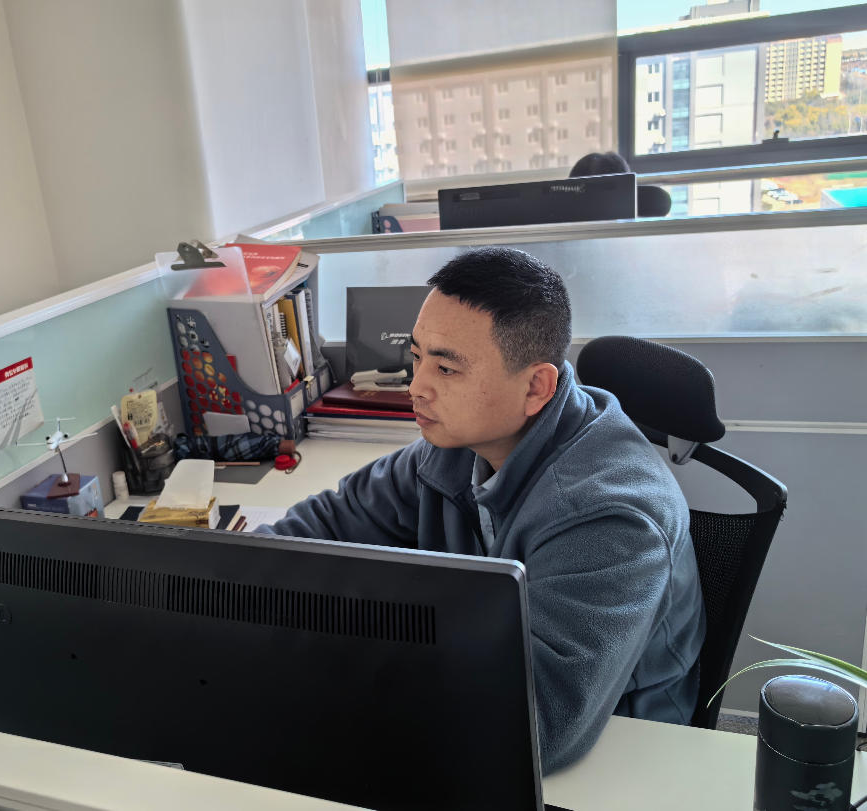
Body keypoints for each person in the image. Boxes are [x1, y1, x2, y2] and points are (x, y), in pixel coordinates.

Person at [257, 246, 705, 773]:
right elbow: (323, 525)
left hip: (622, 757)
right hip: (466, 687)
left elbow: (536, 725)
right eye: (418, 357)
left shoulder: (612, 517)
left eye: (446, 368)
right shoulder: (455, 446)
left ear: (536, 387)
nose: (416, 387)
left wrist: (332, 658)